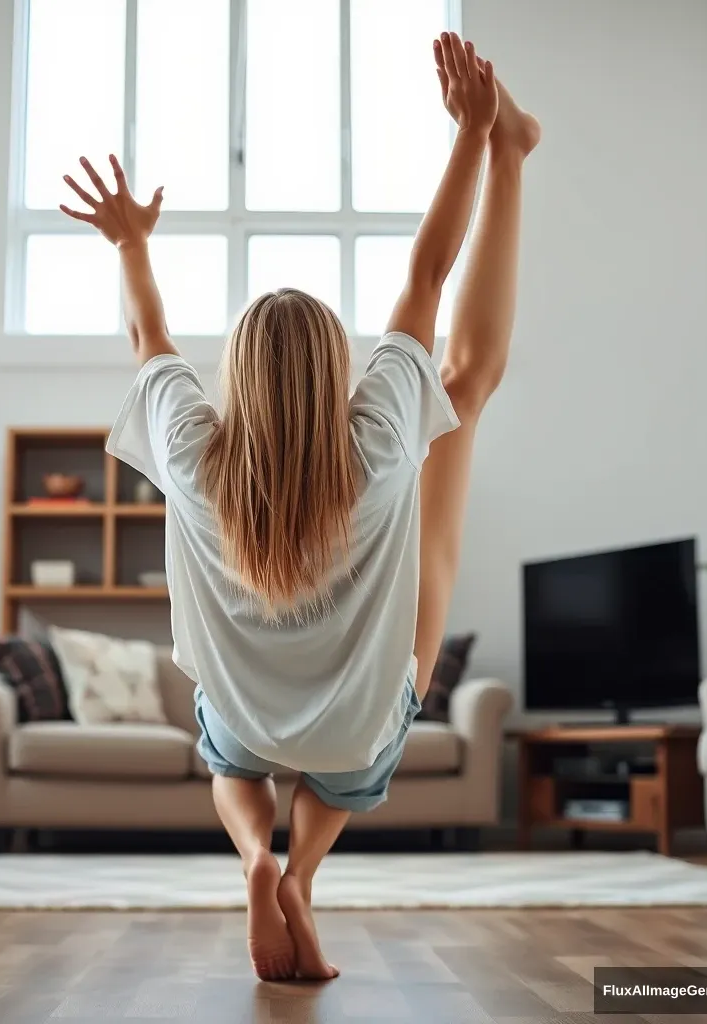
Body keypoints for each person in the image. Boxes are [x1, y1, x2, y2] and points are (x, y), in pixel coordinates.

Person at [60, 31, 539, 983]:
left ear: (232, 377)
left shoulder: (193, 453)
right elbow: (427, 276)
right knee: (461, 409)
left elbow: (148, 333)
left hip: (245, 720)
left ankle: (257, 857)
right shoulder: (375, 439)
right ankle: (306, 871)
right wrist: (473, 137)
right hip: (355, 733)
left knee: (229, 760)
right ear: (338, 373)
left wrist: (129, 243)